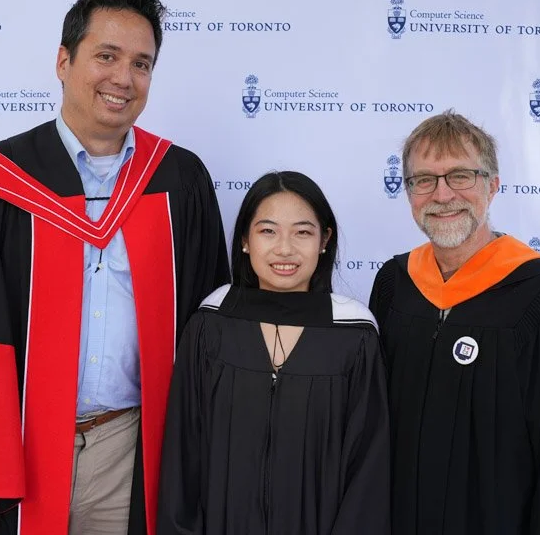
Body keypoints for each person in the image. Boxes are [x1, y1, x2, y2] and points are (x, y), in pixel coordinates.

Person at [0, 0, 230, 535]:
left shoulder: (178, 182)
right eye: (106, 56)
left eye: (141, 64)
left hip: (133, 451)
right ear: (64, 62)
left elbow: (210, 333)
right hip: (13, 449)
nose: (123, 78)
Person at [369, 110, 540, 535]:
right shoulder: (395, 286)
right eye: (424, 179)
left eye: (461, 176)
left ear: (494, 185)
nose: (442, 195)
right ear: (408, 191)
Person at [157, 171, 391, 535]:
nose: (285, 249)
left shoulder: (353, 337)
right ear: (246, 241)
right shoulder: (211, 325)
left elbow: (367, 471)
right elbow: (182, 456)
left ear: (324, 240)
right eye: (268, 231)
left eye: (303, 232)